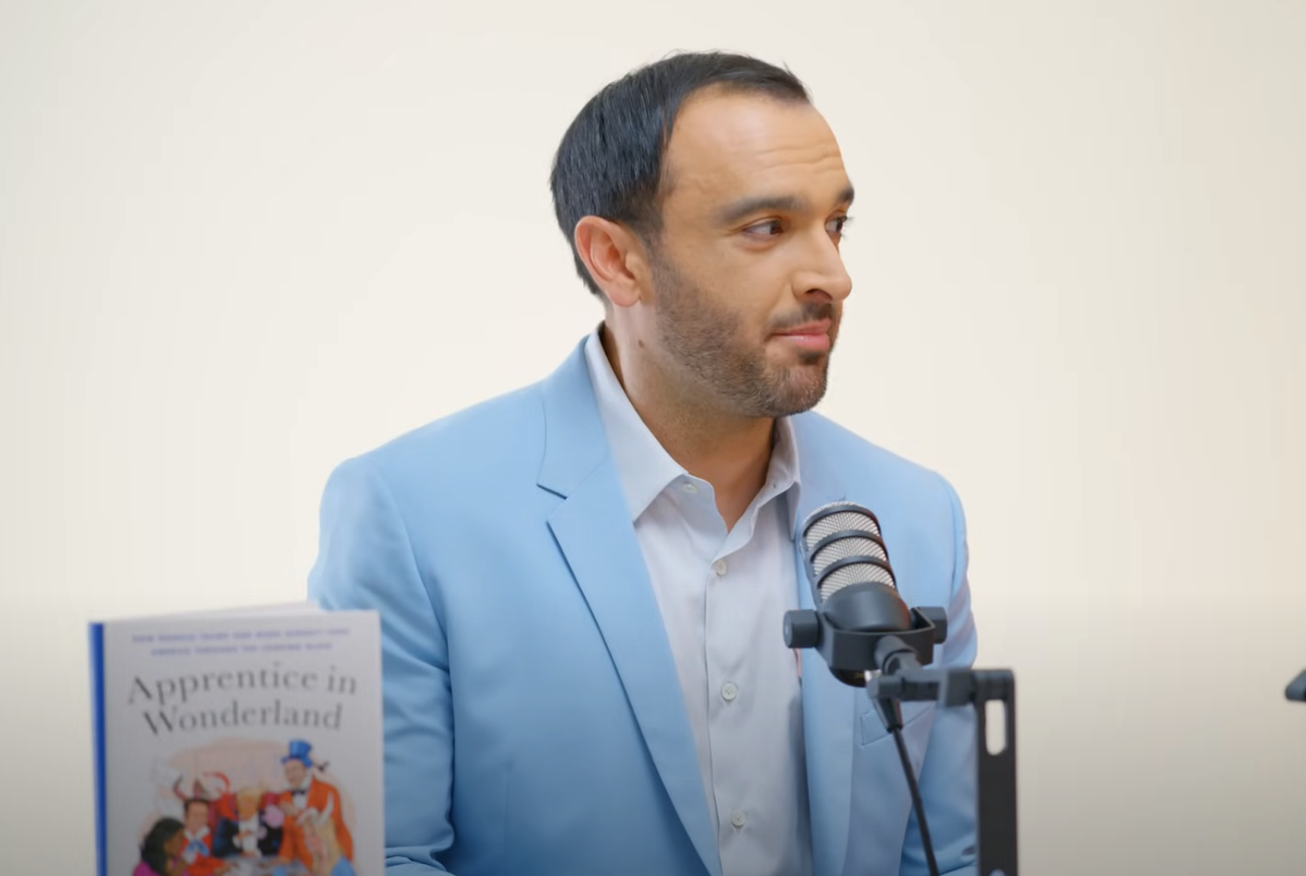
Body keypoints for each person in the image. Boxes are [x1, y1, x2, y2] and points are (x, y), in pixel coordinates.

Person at [310, 50, 978, 876]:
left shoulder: (917, 517)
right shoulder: (407, 517)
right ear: (616, 261)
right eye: (766, 228)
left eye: (834, 225)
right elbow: (383, 858)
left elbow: (946, 857)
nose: (833, 276)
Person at [275, 740, 354, 871]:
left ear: (306, 769)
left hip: (331, 857)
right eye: (287, 771)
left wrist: (298, 813)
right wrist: (284, 856)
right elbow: (289, 833)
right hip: (305, 861)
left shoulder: (328, 791)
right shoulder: (286, 796)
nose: (290, 775)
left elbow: (331, 826)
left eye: (294, 769)